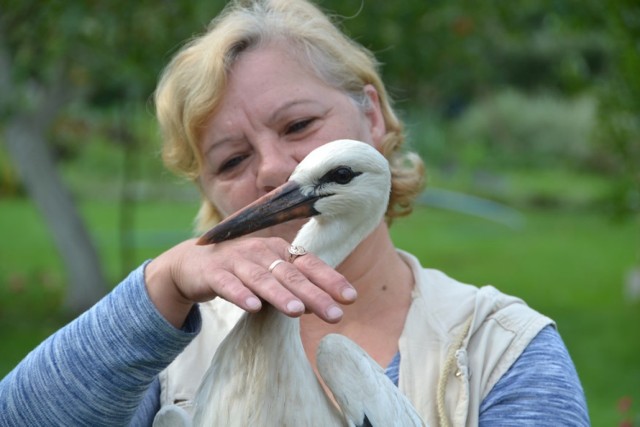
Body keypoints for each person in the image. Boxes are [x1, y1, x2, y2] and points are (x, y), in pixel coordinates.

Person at [0, 0, 590, 425]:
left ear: (373, 115)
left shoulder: (501, 348)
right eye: (231, 160)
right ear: (209, 190)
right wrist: (158, 286)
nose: (273, 171)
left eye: (299, 125)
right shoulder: (167, 354)